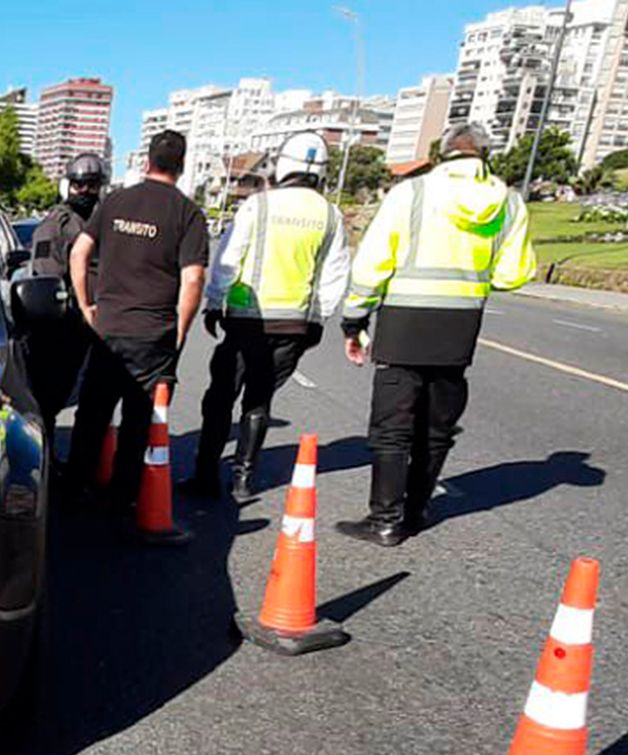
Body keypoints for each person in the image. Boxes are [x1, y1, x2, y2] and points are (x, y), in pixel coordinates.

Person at [335, 121, 536, 546]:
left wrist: (355, 317)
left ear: (445, 153)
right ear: (485, 155)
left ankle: (384, 519)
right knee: (437, 426)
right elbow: (514, 272)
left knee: (392, 426)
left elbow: (373, 262)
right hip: (460, 324)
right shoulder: (509, 203)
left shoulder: (412, 192)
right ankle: (416, 510)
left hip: (404, 320)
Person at [181, 132, 350, 499]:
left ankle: (205, 475)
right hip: (294, 324)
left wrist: (214, 303)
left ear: (283, 165)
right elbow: (335, 273)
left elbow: (229, 259)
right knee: (259, 401)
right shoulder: (330, 215)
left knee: (220, 398)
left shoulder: (260, 206)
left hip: (247, 320)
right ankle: (243, 479)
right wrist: (318, 318)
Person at [66, 130, 209, 508]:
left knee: (92, 413)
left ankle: (75, 486)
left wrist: (86, 305)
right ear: (181, 166)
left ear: (147, 160)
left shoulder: (115, 202)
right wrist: (180, 328)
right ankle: (122, 496)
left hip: (108, 327)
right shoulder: (187, 213)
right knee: (137, 419)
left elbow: (79, 253)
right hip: (153, 334)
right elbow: (193, 278)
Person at [26, 153, 107, 426]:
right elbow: (46, 278)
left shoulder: (102, 221)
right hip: (61, 327)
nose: (85, 191)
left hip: (94, 326)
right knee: (46, 402)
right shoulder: (56, 225)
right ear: (68, 185)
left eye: (92, 185)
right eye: (79, 185)